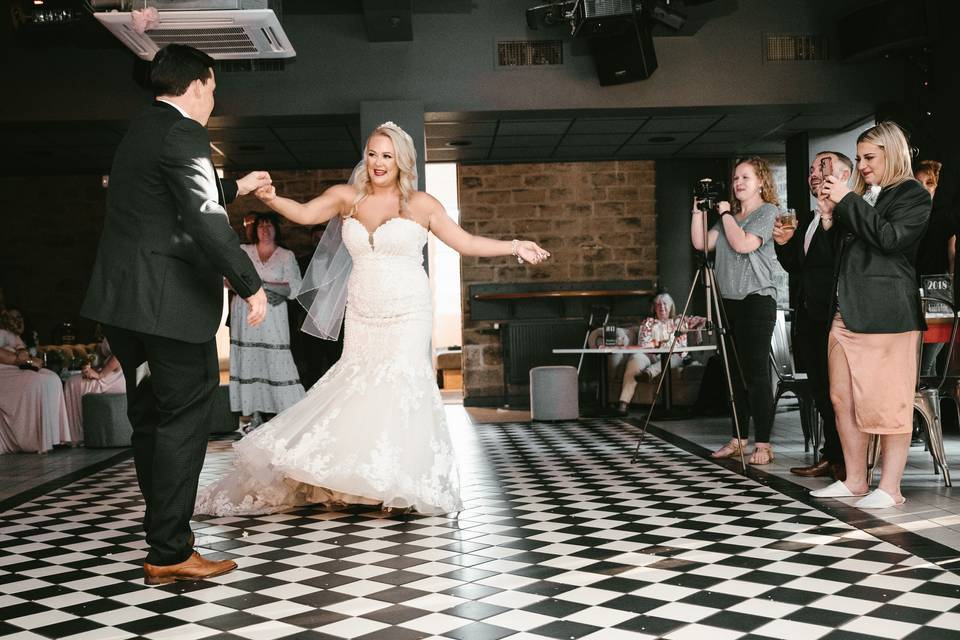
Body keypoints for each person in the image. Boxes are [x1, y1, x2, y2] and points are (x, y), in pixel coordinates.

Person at [195, 121, 550, 517]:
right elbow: (306, 213)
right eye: (372, 153)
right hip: (364, 309)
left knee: (401, 383)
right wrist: (273, 199)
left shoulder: (422, 204)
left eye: (387, 155)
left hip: (408, 310)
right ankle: (359, 482)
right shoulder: (347, 197)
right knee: (359, 383)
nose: (378, 162)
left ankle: (399, 482)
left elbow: (465, 243)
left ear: (402, 160)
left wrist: (514, 245)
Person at [80, 44, 271, 585]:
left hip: (125, 308)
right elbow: (204, 218)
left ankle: (164, 540)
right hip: (166, 309)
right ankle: (170, 551)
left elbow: (167, 202)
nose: (214, 98)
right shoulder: (186, 133)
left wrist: (238, 186)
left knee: (151, 419)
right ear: (198, 84)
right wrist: (250, 284)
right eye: (213, 87)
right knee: (186, 416)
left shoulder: (141, 129)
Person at [811, 121, 931, 508]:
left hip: (887, 316)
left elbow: (889, 239)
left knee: (888, 401)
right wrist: (829, 218)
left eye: (869, 157)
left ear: (891, 154)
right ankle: (855, 480)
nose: (861, 165)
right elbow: (839, 258)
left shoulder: (913, 195)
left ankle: (890, 488)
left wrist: (847, 201)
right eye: (859, 157)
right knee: (842, 399)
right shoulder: (861, 196)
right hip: (846, 314)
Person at [691, 157, 779, 465]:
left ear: (761, 183)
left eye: (745, 177)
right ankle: (738, 438)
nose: (738, 183)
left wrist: (727, 213)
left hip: (757, 300)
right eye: (735, 178)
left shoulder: (767, 213)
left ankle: (764, 444)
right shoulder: (728, 217)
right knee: (734, 375)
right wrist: (697, 208)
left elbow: (743, 244)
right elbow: (702, 243)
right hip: (728, 301)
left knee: (755, 376)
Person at [773, 150, 853, 482]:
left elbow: (837, 259)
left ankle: (848, 462)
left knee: (838, 392)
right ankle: (831, 455)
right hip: (807, 314)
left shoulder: (850, 214)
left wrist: (829, 217)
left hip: (836, 314)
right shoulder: (806, 219)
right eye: (811, 170)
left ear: (845, 175)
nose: (815, 174)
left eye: (823, 167)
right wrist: (781, 244)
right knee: (821, 390)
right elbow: (797, 266)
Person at [229, 213, 306, 431]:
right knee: (250, 361)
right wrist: (269, 287)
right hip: (247, 314)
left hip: (273, 316)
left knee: (277, 359)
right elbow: (230, 279)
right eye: (261, 225)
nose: (264, 229)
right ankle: (253, 415)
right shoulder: (244, 251)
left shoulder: (286, 255)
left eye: (269, 225)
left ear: (276, 229)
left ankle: (288, 414)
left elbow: (296, 287)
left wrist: (262, 287)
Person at [614, 292, 705, 415]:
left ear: (671, 306)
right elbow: (643, 343)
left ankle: (648, 374)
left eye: (665, 304)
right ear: (654, 308)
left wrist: (697, 327)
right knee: (635, 359)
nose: (662, 307)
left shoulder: (679, 320)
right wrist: (657, 344)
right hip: (650, 355)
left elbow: (703, 320)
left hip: (675, 356)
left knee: (671, 357)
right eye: (658, 304)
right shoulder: (648, 323)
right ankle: (623, 404)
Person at [0, 311, 71, 453]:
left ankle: (53, 437)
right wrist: (23, 360)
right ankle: (32, 439)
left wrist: (24, 355)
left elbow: (21, 348)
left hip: (16, 365)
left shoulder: (8, 333)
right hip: (4, 370)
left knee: (52, 378)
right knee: (39, 382)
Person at [62, 338, 125, 444]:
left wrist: (100, 374)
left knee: (73, 383)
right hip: (115, 374)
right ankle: (75, 433)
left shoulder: (120, 330)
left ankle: (76, 435)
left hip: (118, 378)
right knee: (74, 380)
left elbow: (119, 355)